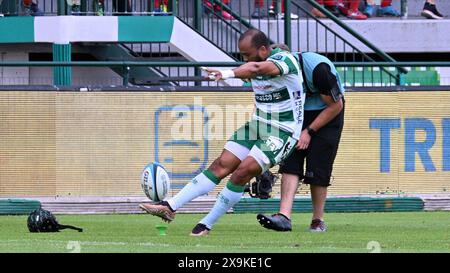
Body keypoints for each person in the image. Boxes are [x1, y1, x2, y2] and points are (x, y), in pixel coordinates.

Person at [139, 29, 305, 236]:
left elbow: (254, 68)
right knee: (220, 165)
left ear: (263, 50)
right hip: (257, 125)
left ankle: (206, 224)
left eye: (246, 54)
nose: (244, 59)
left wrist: (226, 73)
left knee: (241, 173)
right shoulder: (253, 65)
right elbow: (251, 68)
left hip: (282, 131)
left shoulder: (285, 60)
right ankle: (170, 207)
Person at [257, 44, 345, 232]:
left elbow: (336, 106)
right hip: (297, 113)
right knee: (290, 162)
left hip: (328, 113)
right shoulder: (275, 74)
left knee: (318, 167)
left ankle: (317, 220)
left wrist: (309, 132)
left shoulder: (318, 69)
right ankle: (284, 216)